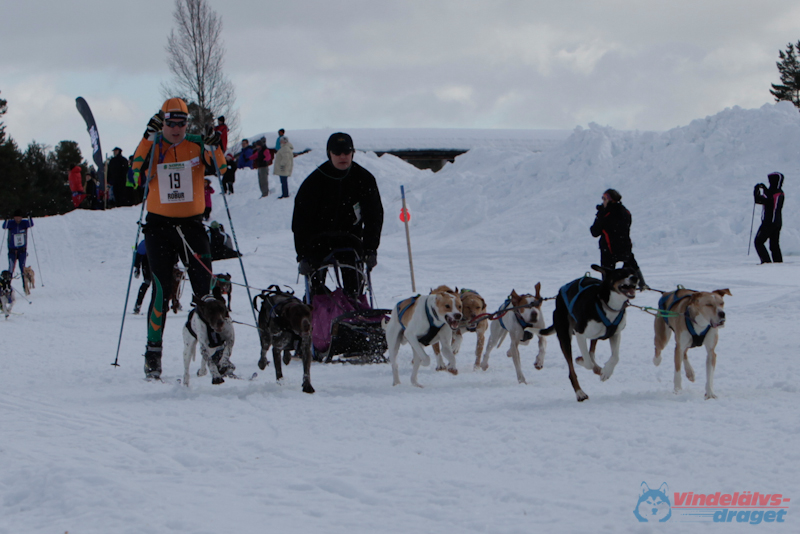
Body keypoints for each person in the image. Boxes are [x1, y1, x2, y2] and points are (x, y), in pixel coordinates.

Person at [131, 97, 227, 380]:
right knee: (161, 289)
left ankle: (217, 351)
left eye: (181, 123)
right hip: (159, 227)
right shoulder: (154, 145)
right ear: (162, 122)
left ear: (188, 123)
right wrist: (147, 139)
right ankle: (153, 353)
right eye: (170, 123)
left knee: (206, 290)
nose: (175, 128)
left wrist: (214, 145)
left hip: (192, 226)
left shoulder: (196, 144)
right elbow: (132, 175)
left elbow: (221, 170)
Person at [292, 132, 384, 298]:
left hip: (351, 239)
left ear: (352, 153)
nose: (343, 157)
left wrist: (371, 248)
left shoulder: (364, 179)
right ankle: (317, 313)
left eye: (347, 152)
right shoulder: (313, 182)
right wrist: (303, 255)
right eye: (337, 153)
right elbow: (300, 221)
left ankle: (354, 314)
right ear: (329, 154)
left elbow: (374, 215)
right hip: (318, 240)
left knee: (354, 289)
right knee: (316, 291)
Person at [590, 188, 647, 290]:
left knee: (607, 272)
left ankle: (607, 289)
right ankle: (642, 284)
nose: (603, 201)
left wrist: (599, 215)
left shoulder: (605, 215)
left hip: (609, 248)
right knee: (632, 266)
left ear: (610, 200)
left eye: (604, 199)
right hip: (625, 246)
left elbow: (595, 232)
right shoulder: (625, 212)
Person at [754, 172, 785, 264]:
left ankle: (766, 262)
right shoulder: (780, 192)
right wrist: (765, 190)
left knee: (758, 242)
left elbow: (759, 200)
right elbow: (769, 199)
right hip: (777, 222)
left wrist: (756, 190)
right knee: (774, 245)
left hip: (768, 222)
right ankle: (778, 263)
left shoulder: (771, 193)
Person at [3, 210, 34, 276]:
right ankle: (8, 283)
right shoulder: (11, 223)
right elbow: (4, 226)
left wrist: (30, 217)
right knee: (11, 268)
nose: (18, 219)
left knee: (23, 268)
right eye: (16, 217)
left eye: (19, 217)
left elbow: (31, 224)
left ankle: (25, 285)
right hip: (12, 250)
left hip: (22, 250)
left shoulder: (24, 223)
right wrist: (6, 219)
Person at [132, 239, 150, 315]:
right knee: (147, 283)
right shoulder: (145, 242)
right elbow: (139, 253)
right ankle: (138, 304)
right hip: (147, 263)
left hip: (158, 262)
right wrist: (137, 267)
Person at [274, 134, 294, 199]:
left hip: (283, 168)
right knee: (283, 182)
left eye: (281, 141)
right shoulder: (284, 148)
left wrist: (282, 165)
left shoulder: (285, 148)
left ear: (284, 141)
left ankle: (285, 194)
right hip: (284, 168)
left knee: (284, 182)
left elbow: (286, 158)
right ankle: (285, 193)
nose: (280, 142)